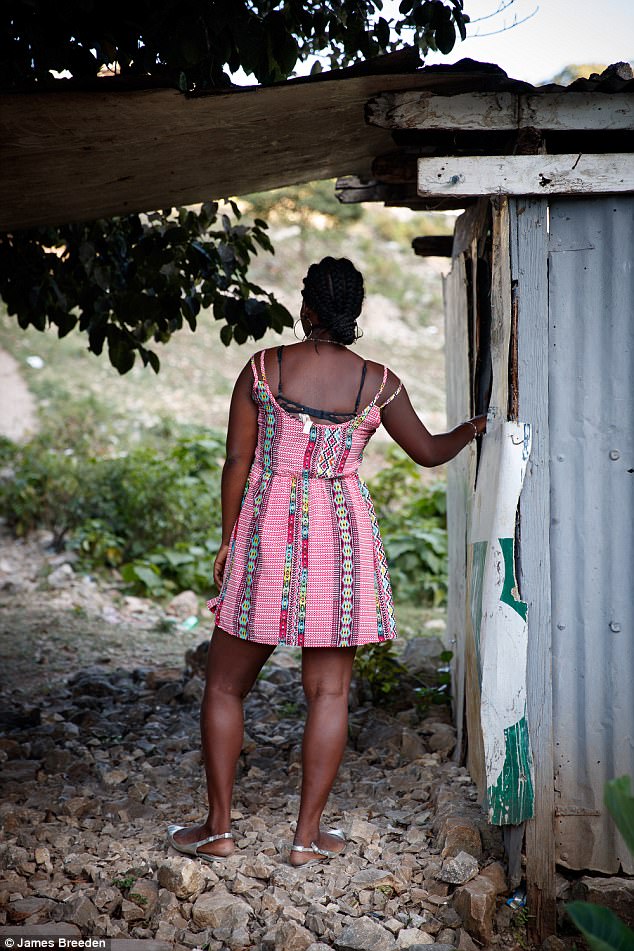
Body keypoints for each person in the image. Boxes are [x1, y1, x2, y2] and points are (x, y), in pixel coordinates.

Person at [167, 256, 486, 867]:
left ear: (305, 308)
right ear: (355, 314)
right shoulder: (380, 383)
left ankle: (219, 830)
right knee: (329, 692)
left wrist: (230, 537)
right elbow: (427, 452)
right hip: (342, 545)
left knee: (226, 684)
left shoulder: (263, 368)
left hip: (267, 533)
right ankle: (306, 839)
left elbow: (236, 464)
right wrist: (474, 427)